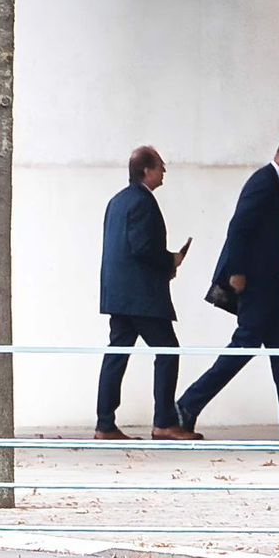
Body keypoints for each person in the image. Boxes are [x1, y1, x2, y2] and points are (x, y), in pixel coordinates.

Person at [177, 135, 279, 441]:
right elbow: (238, 227)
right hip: (258, 288)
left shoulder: (274, 184)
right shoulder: (263, 182)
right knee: (242, 348)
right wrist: (236, 271)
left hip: (271, 289)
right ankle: (185, 407)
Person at [95, 146, 195, 440]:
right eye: (161, 166)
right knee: (168, 351)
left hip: (118, 295)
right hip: (141, 298)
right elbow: (142, 248)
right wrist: (171, 260)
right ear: (146, 170)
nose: (164, 171)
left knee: (116, 355)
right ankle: (164, 422)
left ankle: (104, 424)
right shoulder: (143, 202)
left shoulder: (117, 201)